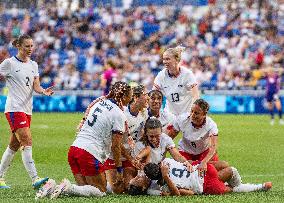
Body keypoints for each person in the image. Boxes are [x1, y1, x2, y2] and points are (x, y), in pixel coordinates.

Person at [37, 81, 133, 199]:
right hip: (89, 153)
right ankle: (68, 187)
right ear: (123, 96)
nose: (131, 98)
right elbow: (116, 146)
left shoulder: (99, 103)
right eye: (130, 95)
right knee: (100, 191)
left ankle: (53, 186)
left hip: (74, 149)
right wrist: (119, 170)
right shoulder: (118, 114)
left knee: (85, 189)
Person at [0, 34, 54, 189]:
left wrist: (43, 91)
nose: (30, 49)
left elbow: (35, 87)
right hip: (14, 108)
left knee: (13, 146)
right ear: (19, 46)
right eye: (27, 46)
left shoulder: (33, 65)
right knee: (27, 141)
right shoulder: (9, 63)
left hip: (27, 110)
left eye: (32, 46)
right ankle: (35, 178)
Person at [128, 158, 272, 196]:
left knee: (232, 188)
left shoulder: (161, 185)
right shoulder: (165, 163)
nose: (137, 177)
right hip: (202, 171)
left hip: (203, 183)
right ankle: (260, 186)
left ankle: (260, 186)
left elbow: (188, 193)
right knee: (229, 169)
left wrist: (166, 179)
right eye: (136, 180)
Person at [105, 84, 149, 192]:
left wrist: (140, 157)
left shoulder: (145, 114)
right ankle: (101, 181)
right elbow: (116, 143)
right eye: (145, 95)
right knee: (117, 190)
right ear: (136, 97)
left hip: (129, 156)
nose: (148, 97)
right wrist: (131, 159)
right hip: (113, 156)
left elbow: (141, 138)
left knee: (129, 188)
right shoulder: (122, 114)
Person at [167, 98, 224, 174]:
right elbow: (169, 138)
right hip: (185, 151)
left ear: (204, 114)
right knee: (182, 170)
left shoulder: (211, 125)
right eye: (191, 111)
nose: (192, 115)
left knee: (211, 170)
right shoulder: (182, 119)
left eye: (196, 113)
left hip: (204, 151)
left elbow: (213, 147)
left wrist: (204, 162)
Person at [153, 46, 199, 117]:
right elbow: (153, 94)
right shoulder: (161, 75)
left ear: (176, 60)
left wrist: (192, 112)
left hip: (186, 115)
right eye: (164, 59)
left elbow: (195, 95)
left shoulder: (187, 74)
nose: (165, 62)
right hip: (169, 115)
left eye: (168, 59)